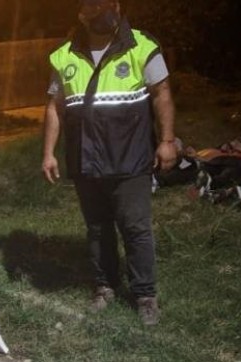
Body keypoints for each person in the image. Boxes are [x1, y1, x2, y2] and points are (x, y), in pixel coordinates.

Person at [41, 0, 177, 325]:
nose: (105, 9)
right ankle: (105, 287)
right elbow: (54, 107)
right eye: (96, 4)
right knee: (98, 228)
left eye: (110, 2)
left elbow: (162, 93)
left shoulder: (142, 46)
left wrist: (167, 140)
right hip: (87, 162)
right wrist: (48, 153)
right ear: (81, 14)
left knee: (135, 228)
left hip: (131, 159)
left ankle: (145, 295)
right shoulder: (63, 56)